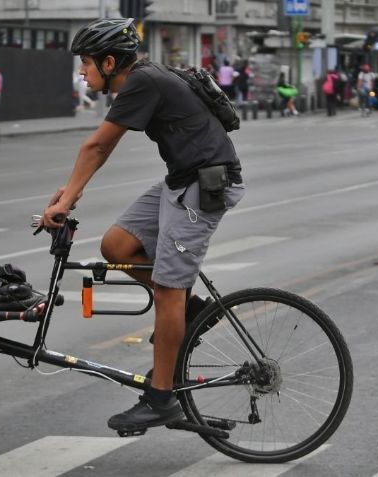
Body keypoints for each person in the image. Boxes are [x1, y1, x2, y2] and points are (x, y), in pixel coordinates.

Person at [41, 18, 245, 433]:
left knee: (168, 287)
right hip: (182, 179)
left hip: (205, 185)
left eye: (86, 63)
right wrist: (69, 194)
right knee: (116, 245)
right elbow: (97, 149)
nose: (83, 71)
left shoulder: (142, 81)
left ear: (110, 61)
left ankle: (161, 397)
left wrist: (66, 200)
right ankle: (188, 313)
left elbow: (98, 144)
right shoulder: (147, 77)